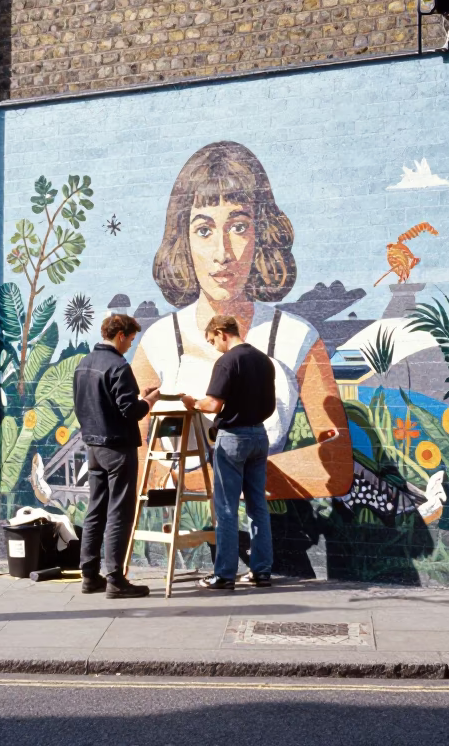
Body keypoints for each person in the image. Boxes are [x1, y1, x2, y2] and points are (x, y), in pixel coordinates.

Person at [132, 140, 352, 500]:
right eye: (204, 231)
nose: (222, 253)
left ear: (260, 232)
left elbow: (336, 463)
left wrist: (205, 481)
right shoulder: (159, 342)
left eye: (238, 226)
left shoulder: (296, 339)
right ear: (183, 241)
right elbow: (132, 447)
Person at [183, 314, 276, 590]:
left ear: (222, 332)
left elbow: (212, 405)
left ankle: (224, 574)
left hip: (233, 438)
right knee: (258, 506)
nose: (215, 346)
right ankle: (261, 572)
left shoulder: (227, 361)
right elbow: (269, 405)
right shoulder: (263, 360)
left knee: (226, 508)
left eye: (213, 340)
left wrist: (192, 402)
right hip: (259, 435)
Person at [73, 313, 160, 599]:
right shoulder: (119, 365)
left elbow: (93, 403)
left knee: (95, 509)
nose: (130, 347)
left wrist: (137, 398)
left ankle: (89, 576)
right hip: (118, 448)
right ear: (120, 335)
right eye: (131, 340)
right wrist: (148, 401)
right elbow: (130, 411)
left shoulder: (83, 364)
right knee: (120, 512)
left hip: (94, 447)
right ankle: (115, 579)